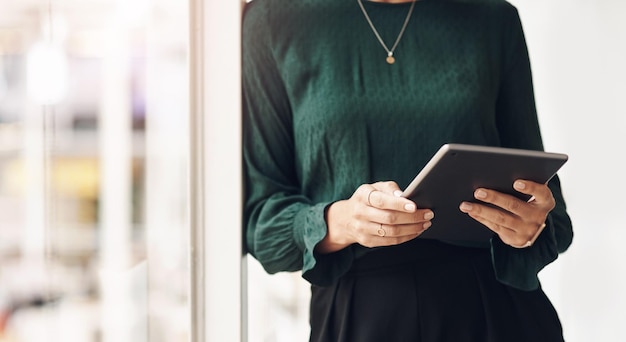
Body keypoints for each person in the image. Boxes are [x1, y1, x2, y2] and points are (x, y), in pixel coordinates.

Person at [242, 0, 573, 341]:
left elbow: (549, 210)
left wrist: (529, 226)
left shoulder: (493, 18)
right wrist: (343, 221)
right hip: (358, 312)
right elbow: (260, 224)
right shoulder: (273, 19)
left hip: (494, 307)